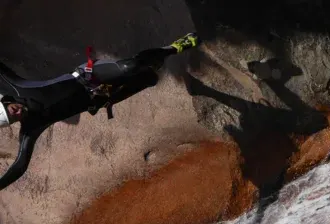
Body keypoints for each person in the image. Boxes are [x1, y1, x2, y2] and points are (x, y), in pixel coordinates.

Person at [0, 32, 199, 191]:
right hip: (101, 97)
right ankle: (151, 66)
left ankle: (174, 47)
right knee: (149, 78)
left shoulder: (18, 88)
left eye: (10, 110)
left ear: (6, 101)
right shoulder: (30, 128)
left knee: (130, 66)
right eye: (12, 118)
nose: (15, 113)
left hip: (89, 76)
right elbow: (20, 166)